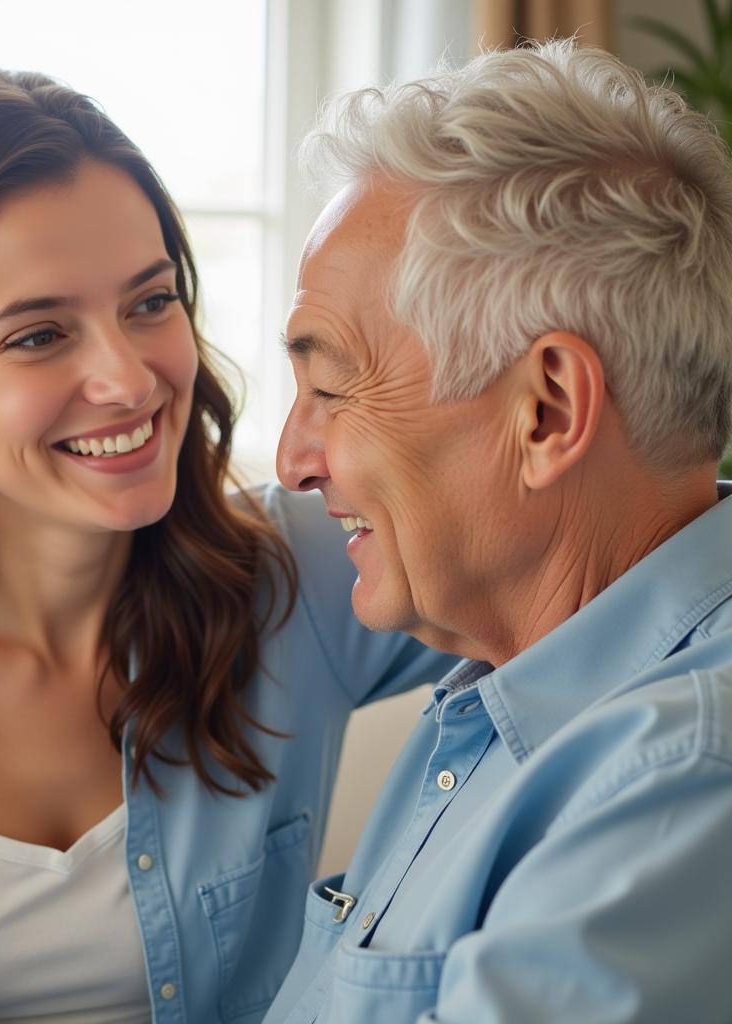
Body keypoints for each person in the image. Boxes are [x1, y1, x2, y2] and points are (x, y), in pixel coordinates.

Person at [0, 70, 454, 1022]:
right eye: (38, 335)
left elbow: (636, 574)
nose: (128, 377)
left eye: (149, 303)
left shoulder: (294, 581)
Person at [262, 39, 732, 1022]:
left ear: (547, 411)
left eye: (332, 386)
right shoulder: (497, 700)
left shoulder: (675, 780)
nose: (293, 460)